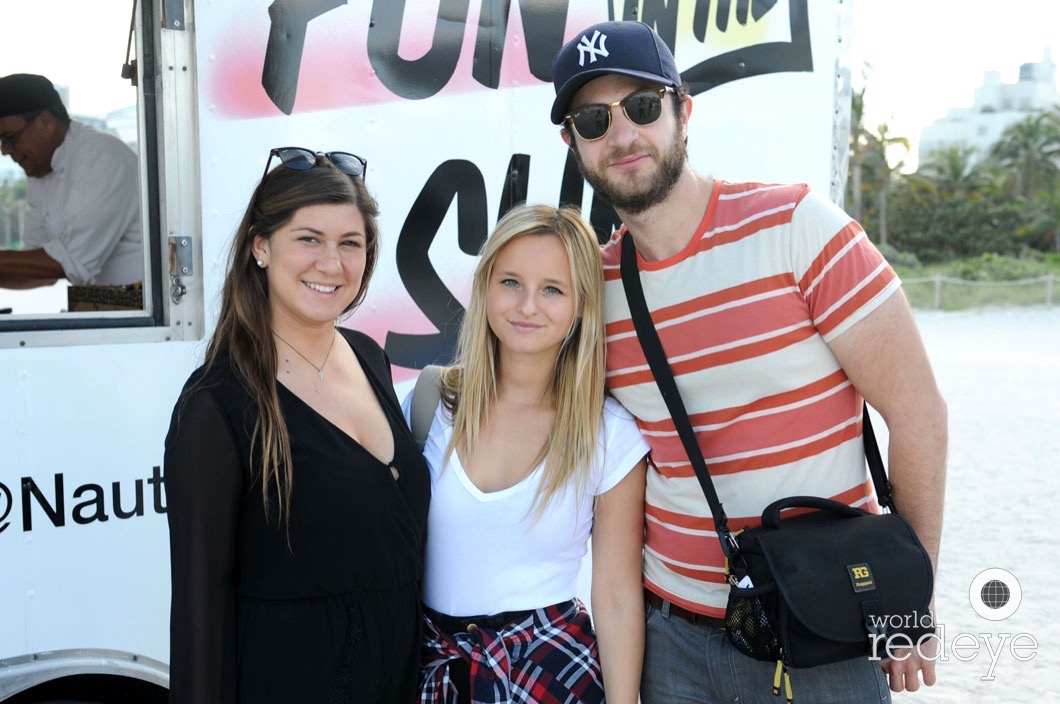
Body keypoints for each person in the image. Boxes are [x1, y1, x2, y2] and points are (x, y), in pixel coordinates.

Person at [549, 20, 948, 704]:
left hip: (821, 624)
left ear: (683, 110)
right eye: (594, 119)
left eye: (642, 107)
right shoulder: (594, 286)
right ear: (573, 142)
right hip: (671, 641)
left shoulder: (797, 227)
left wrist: (906, 601)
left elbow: (919, 419)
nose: (621, 136)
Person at [164, 148, 429, 703]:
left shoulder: (368, 356)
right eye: (308, 239)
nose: (331, 264)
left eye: (350, 243)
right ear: (261, 247)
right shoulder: (217, 406)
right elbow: (199, 609)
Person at [411, 203, 649, 704]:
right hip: (434, 666)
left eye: (553, 290)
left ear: (582, 306)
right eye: (511, 282)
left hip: (550, 670)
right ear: (485, 286)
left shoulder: (608, 433)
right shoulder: (428, 403)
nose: (527, 306)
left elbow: (617, 596)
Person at [0, 73, 142, 290]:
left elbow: (69, 262)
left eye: (9, 138)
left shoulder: (101, 158)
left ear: (45, 122)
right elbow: (37, 268)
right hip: (98, 309)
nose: (4, 151)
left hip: (145, 311)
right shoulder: (41, 167)